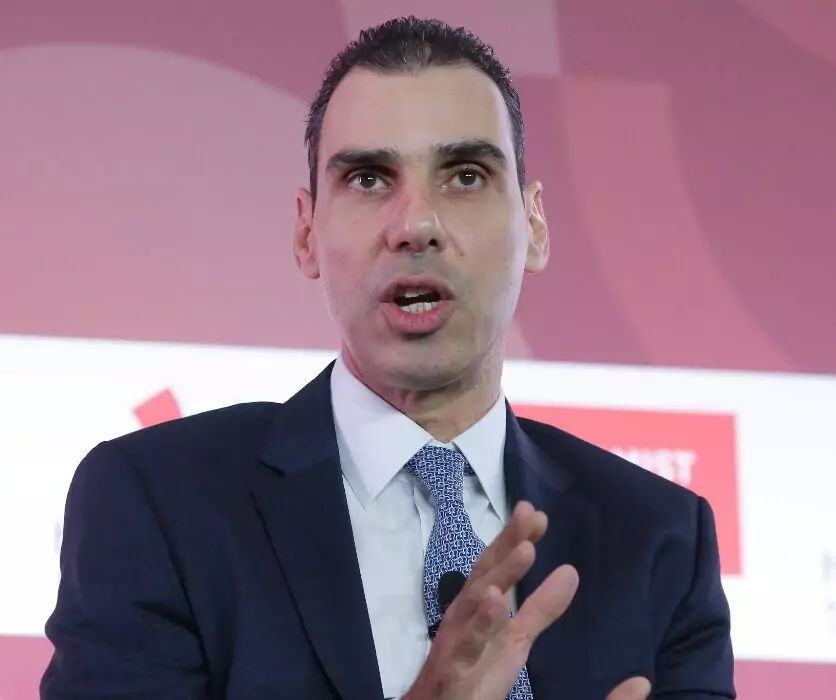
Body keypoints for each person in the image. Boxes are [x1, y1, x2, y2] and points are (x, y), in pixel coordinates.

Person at [39, 16, 735, 700]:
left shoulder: (661, 539)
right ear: (306, 234)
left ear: (535, 224)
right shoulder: (160, 503)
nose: (416, 225)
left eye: (465, 176)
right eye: (370, 179)